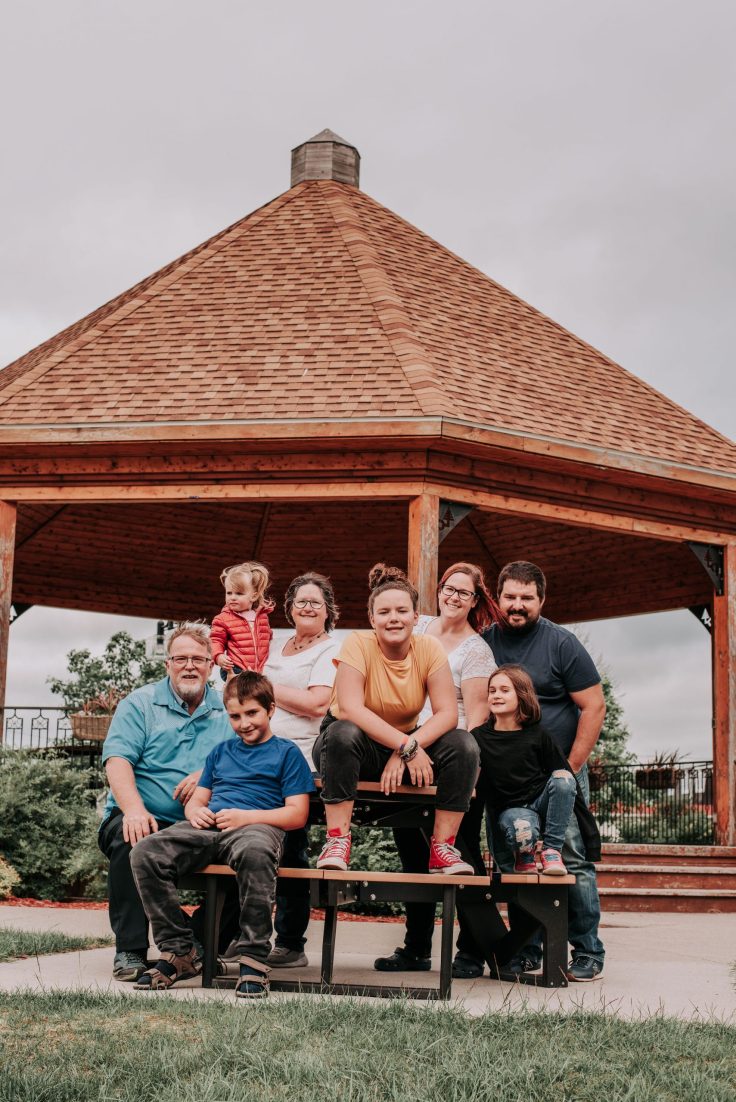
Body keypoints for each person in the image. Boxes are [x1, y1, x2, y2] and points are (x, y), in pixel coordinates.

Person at [130, 672, 315, 999]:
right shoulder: (221, 752)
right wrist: (194, 812)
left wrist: (247, 817)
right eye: (235, 716)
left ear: (271, 710)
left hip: (258, 828)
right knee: (145, 853)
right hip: (211, 826)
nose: (244, 723)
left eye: (252, 713)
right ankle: (179, 951)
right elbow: (198, 799)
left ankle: (253, 959)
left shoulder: (287, 754)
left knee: (256, 854)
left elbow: (297, 814)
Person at [479, 560, 606, 982]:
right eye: (510, 597)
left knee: (571, 859)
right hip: (507, 779)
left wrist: (566, 772)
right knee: (518, 859)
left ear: (541, 600)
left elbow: (593, 706)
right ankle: (528, 949)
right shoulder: (484, 644)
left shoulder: (561, 643)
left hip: (557, 773)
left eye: (526, 598)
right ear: (498, 598)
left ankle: (587, 950)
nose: (517, 605)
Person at [314, 563, 479, 876]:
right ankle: (337, 840)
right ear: (372, 618)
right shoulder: (358, 644)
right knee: (343, 732)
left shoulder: (428, 648)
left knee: (464, 743)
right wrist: (408, 747)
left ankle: (443, 848)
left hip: (402, 745)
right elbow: (350, 708)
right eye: (385, 612)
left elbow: (446, 713)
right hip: (348, 748)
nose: (394, 618)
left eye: (402, 611)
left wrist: (406, 748)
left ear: (416, 617)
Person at [375, 561, 499, 974]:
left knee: (459, 856)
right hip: (407, 753)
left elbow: (477, 719)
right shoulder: (419, 626)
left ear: (475, 600)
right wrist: (405, 747)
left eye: (464, 592)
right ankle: (416, 949)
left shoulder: (477, 651)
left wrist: (471, 775)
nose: (453, 596)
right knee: (412, 856)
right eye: (449, 587)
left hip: (452, 761)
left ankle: (473, 950)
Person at [98, 623, 233, 982]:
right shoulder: (140, 703)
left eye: (198, 659)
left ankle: (201, 946)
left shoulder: (228, 709)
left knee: (249, 848)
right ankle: (131, 950)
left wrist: (208, 772)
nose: (190, 666)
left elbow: (246, 758)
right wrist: (134, 810)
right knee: (132, 836)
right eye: (181, 658)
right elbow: (118, 761)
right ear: (168, 664)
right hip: (147, 814)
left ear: (210, 665)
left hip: (202, 821)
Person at [262, 571, 340, 969]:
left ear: (328, 609)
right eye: (300, 601)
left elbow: (316, 704)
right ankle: (234, 934)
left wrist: (261, 687)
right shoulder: (274, 643)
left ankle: (290, 942)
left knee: (291, 849)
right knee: (244, 840)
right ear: (289, 607)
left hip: (301, 759)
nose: (307, 607)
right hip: (255, 754)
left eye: (315, 601)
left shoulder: (331, 650)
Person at [474, 665, 600, 879]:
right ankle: (525, 854)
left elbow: (568, 779)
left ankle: (551, 851)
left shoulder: (539, 735)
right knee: (522, 831)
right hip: (512, 810)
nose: (496, 695)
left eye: (505, 690)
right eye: (492, 690)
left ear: (521, 696)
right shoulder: (478, 738)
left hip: (541, 800)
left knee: (564, 778)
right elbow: (478, 787)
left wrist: (591, 837)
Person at [210, 561, 274, 680]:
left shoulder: (262, 617)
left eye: (239, 593)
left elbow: (267, 638)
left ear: (253, 596)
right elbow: (215, 640)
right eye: (229, 593)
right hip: (235, 667)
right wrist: (218, 656)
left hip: (259, 669)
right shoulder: (223, 619)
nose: (233, 597)